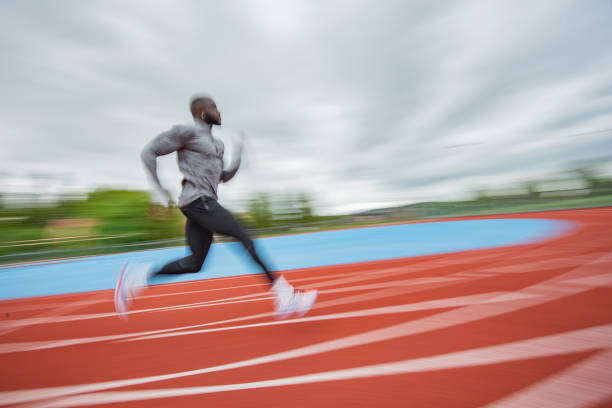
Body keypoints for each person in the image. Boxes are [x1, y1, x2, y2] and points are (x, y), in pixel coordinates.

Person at [114, 94, 317, 320]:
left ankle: (138, 276)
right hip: (198, 201)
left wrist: (239, 155)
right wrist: (160, 190)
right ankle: (285, 296)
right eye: (214, 108)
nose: (219, 112)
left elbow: (223, 176)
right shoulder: (186, 132)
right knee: (244, 235)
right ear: (202, 113)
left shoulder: (217, 145)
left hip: (201, 204)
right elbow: (149, 152)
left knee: (194, 263)